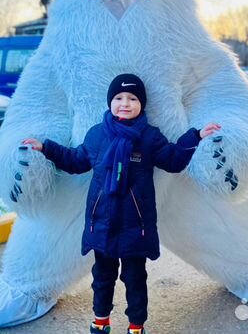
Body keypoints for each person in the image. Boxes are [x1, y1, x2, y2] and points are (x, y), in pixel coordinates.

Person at [22, 73, 220, 334]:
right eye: (118, 97)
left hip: (134, 227)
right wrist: (46, 148)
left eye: (132, 98)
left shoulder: (148, 137)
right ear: (110, 102)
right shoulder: (97, 135)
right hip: (102, 224)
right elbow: (75, 161)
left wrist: (195, 136)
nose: (125, 103)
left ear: (141, 104)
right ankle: (100, 321)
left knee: (135, 279)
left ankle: (136, 326)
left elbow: (173, 160)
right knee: (102, 279)